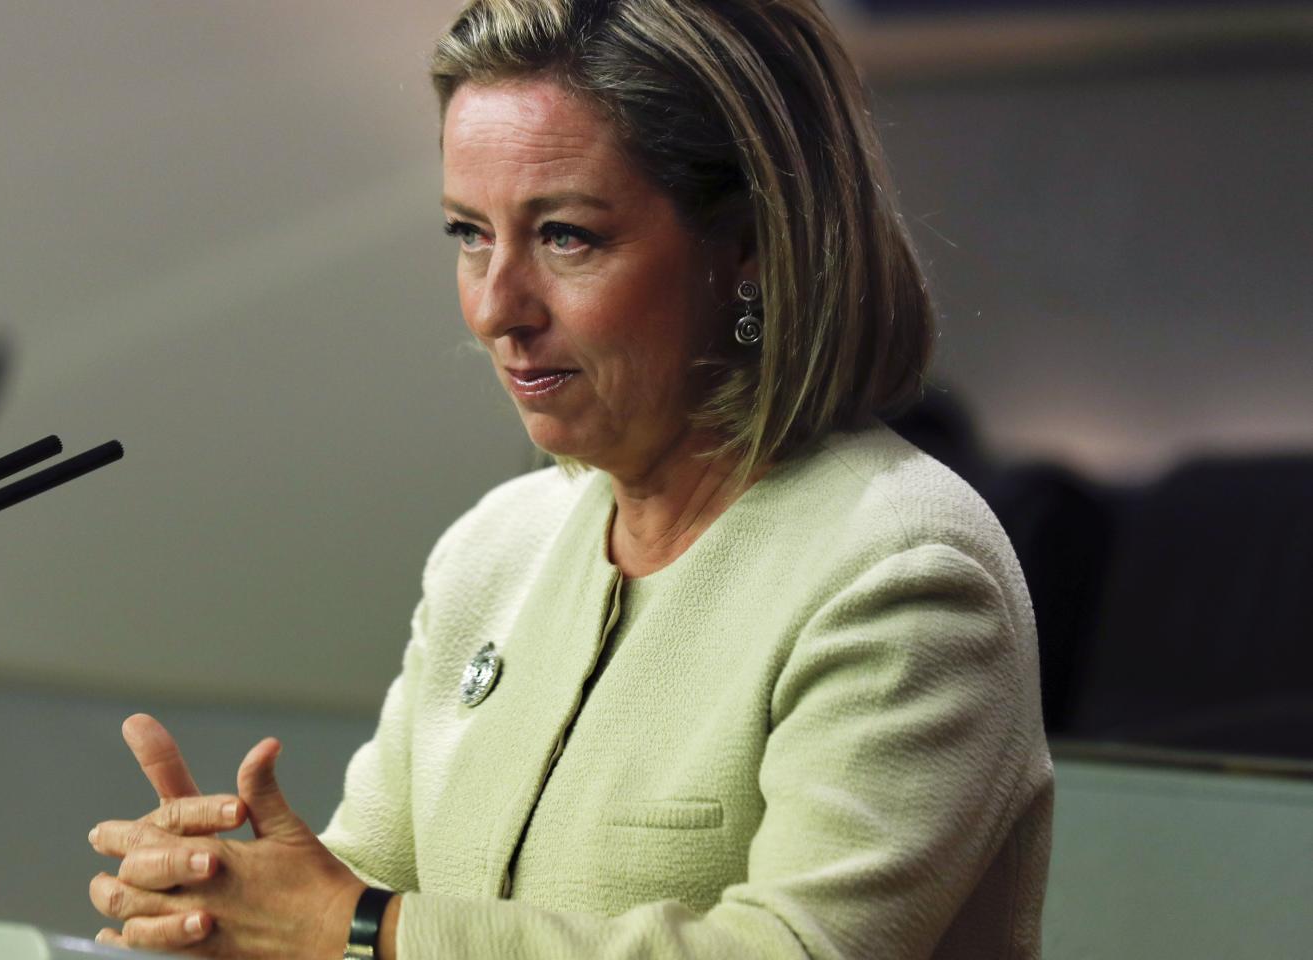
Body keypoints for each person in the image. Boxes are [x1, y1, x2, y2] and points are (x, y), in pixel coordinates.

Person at [85, 1, 1053, 957]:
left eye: (565, 237)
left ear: (748, 247)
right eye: (468, 233)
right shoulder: (493, 549)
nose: (497, 307)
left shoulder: (901, 569)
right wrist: (228, 907)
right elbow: (349, 903)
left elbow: (788, 952)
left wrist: (356, 930)